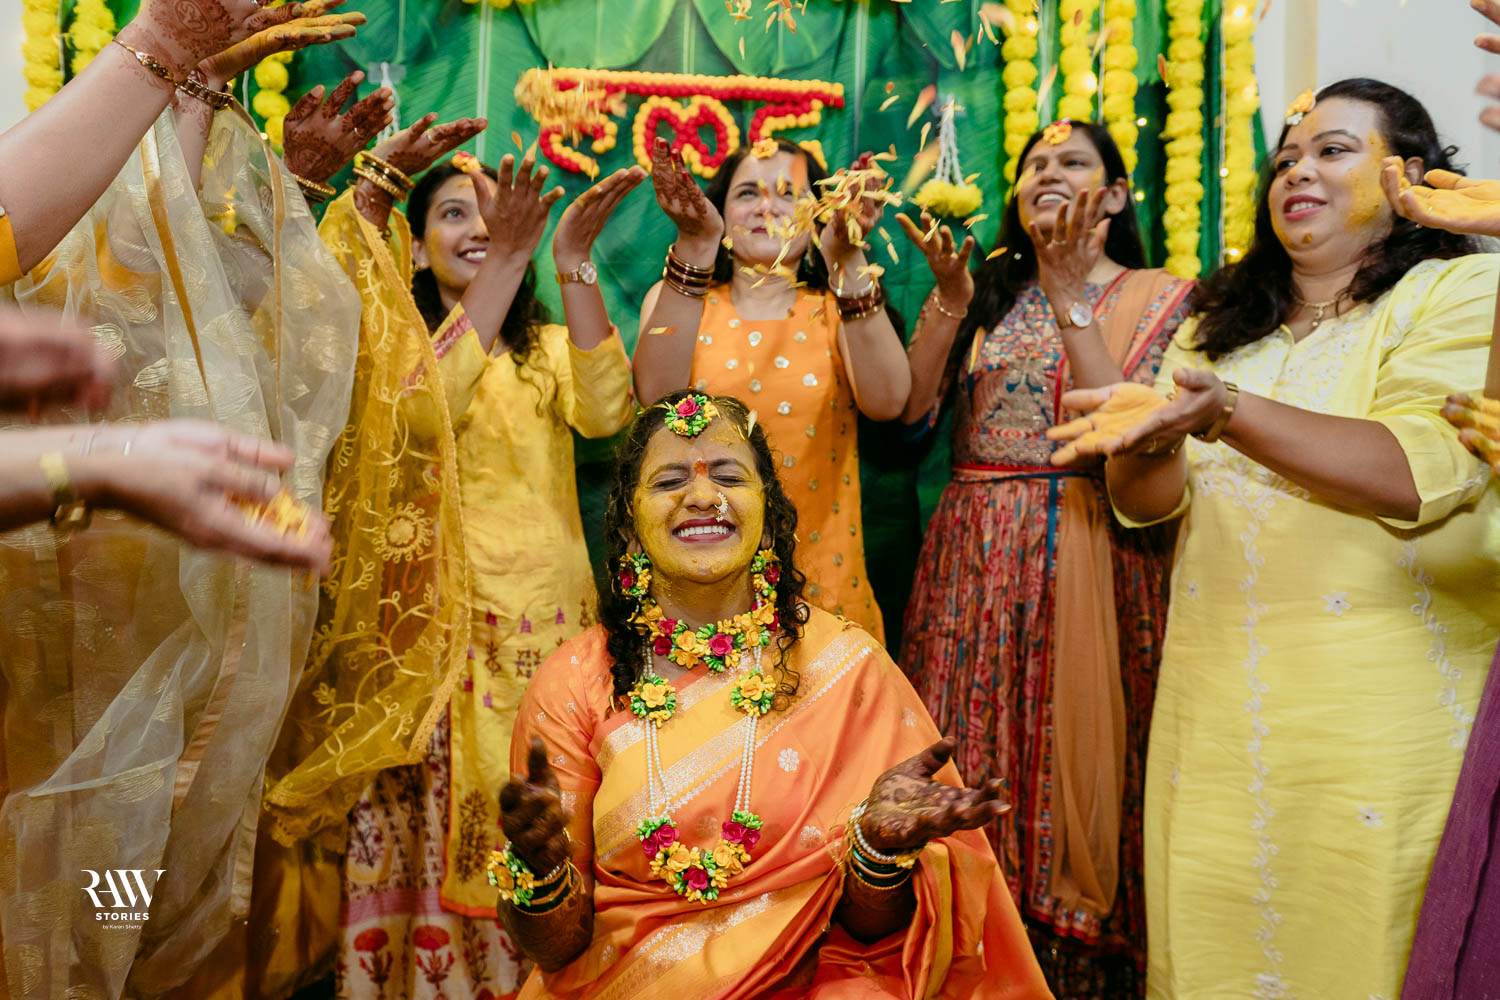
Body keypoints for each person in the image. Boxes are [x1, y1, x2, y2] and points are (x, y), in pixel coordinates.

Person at [1045, 79, 1500, 999]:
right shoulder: (1223, 332)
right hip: (1217, 711)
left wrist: (1227, 415)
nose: (1298, 171)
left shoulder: (1461, 289)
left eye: (1333, 150)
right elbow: (1146, 499)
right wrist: (1136, 411)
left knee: (1368, 949)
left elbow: (1417, 470)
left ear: (1410, 176)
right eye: (1287, 158)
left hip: (1383, 714)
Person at [0, 42, 363, 996]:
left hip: (158, 624)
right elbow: (137, 270)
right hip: (65, 659)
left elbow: (196, 293)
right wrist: (171, 50)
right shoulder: (63, 257)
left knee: (132, 900)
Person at [484, 389, 1050, 999]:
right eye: (670, 481)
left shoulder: (846, 667)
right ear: (627, 521)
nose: (704, 496)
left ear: (768, 509)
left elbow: (871, 934)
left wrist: (878, 855)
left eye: (730, 476)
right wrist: (541, 875)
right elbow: (557, 948)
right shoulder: (575, 683)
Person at [321, 121, 641, 998]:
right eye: (453, 214)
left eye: (494, 215)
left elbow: (608, 412)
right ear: (416, 247)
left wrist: (572, 260)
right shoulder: (397, 346)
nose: (477, 228)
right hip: (435, 641)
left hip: (544, 632)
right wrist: (508, 259)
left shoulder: (543, 351)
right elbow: (425, 411)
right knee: (437, 834)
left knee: (545, 817)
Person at [896, 118, 1192, 997]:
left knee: (1080, 769)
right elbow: (909, 411)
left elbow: (1130, 433)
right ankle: (965, 953)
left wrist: (1071, 296)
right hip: (973, 558)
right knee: (965, 744)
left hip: (1094, 544)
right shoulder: (987, 295)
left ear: (1117, 195)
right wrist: (949, 298)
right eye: (1034, 164)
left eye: (1073, 162)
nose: (1048, 173)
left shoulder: (1164, 297)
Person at [632, 136, 910, 640]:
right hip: (702, 592)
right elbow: (655, 399)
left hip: (825, 588)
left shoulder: (835, 309)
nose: (767, 207)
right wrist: (696, 245)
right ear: (718, 212)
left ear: (818, 213)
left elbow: (889, 402)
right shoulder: (680, 301)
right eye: (747, 193)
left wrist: (845, 258)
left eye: (788, 193)